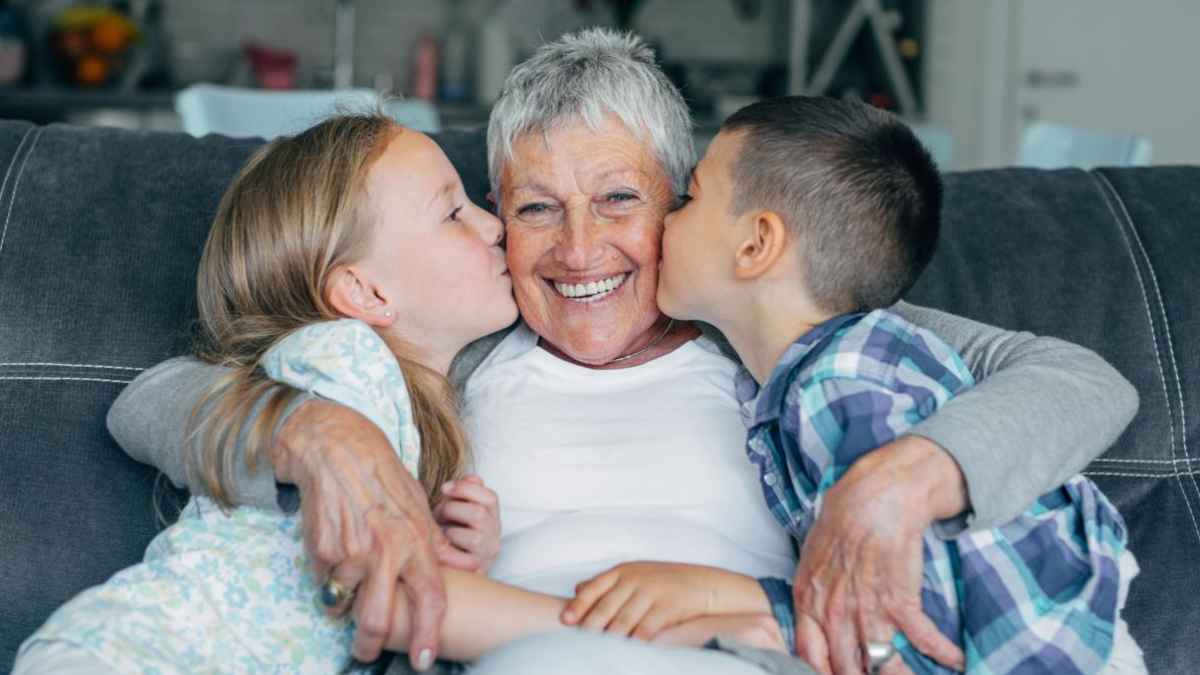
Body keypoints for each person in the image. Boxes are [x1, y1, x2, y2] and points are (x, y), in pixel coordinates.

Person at [106, 29, 1139, 675]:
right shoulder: (461, 346)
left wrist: (904, 480)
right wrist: (326, 438)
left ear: (696, 209)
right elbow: (149, 397)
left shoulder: (775, 335)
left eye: (619, 201)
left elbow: (1079, 380)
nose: (580, 249)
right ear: (496, 223)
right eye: (535, 209)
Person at [563, 96, 1147, 674]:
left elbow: (923, 618)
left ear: (756, 245)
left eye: (689, 198)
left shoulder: (840, 383)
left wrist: (735, 603)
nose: (664, 220)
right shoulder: (828, 366)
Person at [14, 114, 521, 673]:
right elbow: (148, 403)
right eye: (453, 213)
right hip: (140, 652)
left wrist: (444, 548)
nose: (494, 225)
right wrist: (305, 426)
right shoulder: (343, 358)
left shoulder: (412, 406)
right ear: (364, 292)